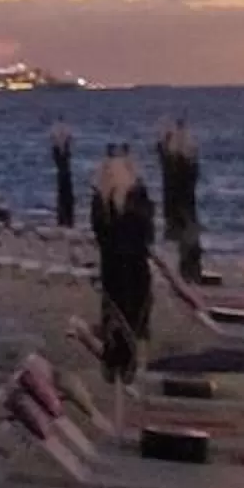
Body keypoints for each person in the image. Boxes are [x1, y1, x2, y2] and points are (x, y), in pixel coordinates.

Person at [90, 145, 157, 386]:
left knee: (114, 315)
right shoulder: (136, 196)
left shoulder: (102, 200)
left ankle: (116, 365)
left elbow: (98, 233)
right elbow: (148, 233)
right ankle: (134, 367)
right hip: (135, 266)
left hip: (111, 267)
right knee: (136, 316)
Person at [158, 115, 204, 283]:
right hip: (182, 203)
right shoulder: (182, 166)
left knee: (187, 238)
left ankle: (189, 271)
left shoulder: (173, 165)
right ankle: (190, 271)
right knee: (188, 238)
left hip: (178, 203)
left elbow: (164, 151)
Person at [47, 119, 76, 228]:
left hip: (63, 172)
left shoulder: (58, 144)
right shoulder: (63, 149)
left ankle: (64, 219)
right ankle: (66, 219)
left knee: (63, 193)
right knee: (65, 194)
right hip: (65, 172)